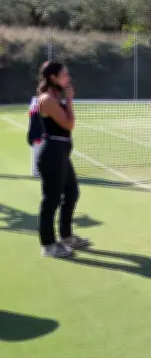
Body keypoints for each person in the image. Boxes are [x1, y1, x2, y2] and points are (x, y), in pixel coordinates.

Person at [35, 61, 91, 257]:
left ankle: (66, 236)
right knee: (51, 200)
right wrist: (69, 101)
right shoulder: (47, 99)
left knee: (72, 193)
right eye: (64, 74)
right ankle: (49, 245)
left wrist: (66, 100)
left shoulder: (55, 98)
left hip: (61, 153)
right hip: (52, 153)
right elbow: (68, 124)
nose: (68, 78)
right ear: (53, 77)